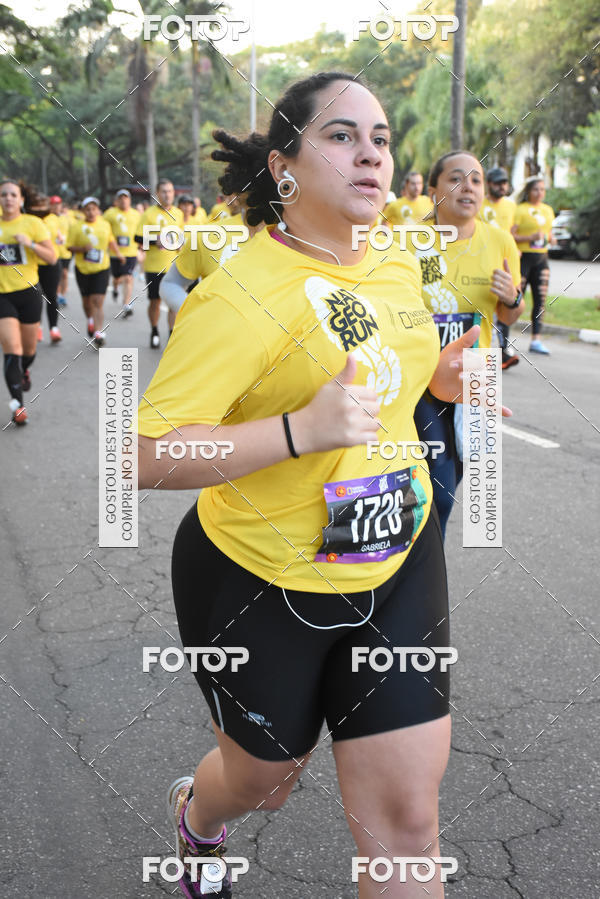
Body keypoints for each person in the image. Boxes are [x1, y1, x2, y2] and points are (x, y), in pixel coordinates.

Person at [137, 72, 492, 899]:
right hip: (258, 575)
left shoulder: (397, 267)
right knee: (267, 777)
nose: (370, 152)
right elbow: (142, 455)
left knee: (408, 818)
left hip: (397, 556)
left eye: (380, 138)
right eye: (341, 135)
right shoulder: (236, 295)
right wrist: (300, 430)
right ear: (284, 165)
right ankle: (200, 815)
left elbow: (385, 389)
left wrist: (438, 383)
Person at [409, 150, 523, 537]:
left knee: (456, 479)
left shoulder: (501, 242)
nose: (468, 188)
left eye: (475, 180)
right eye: (456, 179)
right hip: (421, 374)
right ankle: (419, 580)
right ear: (434, 190)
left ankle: (420, 571)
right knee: (436, 489)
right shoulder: (410, 243)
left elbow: (509, 318)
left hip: (478, 377)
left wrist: (512, 299)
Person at [160, 187, 263, 323]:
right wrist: (199, 318)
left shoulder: (293, 236)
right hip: (183, 262)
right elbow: (171, 284)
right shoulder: (211, 226)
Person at [0, 179, 56, 425]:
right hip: (2, 296)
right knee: (12, 350)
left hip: (29, 292)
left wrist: (30, 244)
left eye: (13, 194)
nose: (8, 198)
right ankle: (18, 406)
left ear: (21, 200)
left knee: (28, 351)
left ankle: (24, 369)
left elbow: (52, 257)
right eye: (3, 195)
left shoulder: (33, 224)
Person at [67, 196, 124, 347]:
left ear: (98, 210)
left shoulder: (105, 225)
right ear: (83, 211)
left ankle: (99, 332)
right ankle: (90, 320)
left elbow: (111, 241)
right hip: (83, 269)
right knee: (87, 303)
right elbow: (69, 246)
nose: (91, 212)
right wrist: (81, 249)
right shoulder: (76, 227)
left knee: (98, 301)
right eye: (88, 209)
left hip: (101, 268)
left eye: (94, 209)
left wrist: (118, 254)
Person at [135, 179, 184, 349]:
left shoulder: (178, 213)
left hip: (175, 267)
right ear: (157, 194)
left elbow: (181, 237)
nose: (167, 195)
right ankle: (154, 330)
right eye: (163, 191)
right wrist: (154, 240)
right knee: (155, 302)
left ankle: (171, 334)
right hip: (154, 266)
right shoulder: (149, 214)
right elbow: (137, 238)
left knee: (173, 303)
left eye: (170, 191)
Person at [478, 167, 519, 369]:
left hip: (506, 263)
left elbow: (512, 233)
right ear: (489, 185)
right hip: (480, 262)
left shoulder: (511, 206)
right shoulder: (478, 204)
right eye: (497, 183)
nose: (502, 186)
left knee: (509, 302)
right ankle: (493, 353)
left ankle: (502, 350)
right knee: (483, 308)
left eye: (504, 182)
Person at [512, 177, 554, 354]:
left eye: (542, 189)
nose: (539, 193)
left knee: (540, 300)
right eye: (536, 189)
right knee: (514, 300)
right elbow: (510, 236)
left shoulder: (548, 210)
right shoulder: (520, 210)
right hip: (523, 259)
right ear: (528, 191)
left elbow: (549, 234)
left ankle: (536, 339)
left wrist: (551, 238)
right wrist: (529, 238)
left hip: (541, 259)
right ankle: (503, 339)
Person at [24, 192, 64, 344]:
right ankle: (37, 328)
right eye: (36, 204)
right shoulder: (26, 220)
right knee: (35, 297)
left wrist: (60, 237)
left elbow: (58, 234)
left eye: (42, 204)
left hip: (51, 264)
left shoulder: (53, 218)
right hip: (31, 265)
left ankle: (53, 328)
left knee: (51, 296)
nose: (39, 207)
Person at [103, 189, 140, 318]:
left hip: (131, 252)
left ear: (129, 200)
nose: (123, 200)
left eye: (126, 198)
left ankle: (126, 304)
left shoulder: (136, 214)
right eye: (121, 198)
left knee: (128, 277)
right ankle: (115, 287)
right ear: (116, 200)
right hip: (114, 253)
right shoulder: (110, 214)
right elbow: (104, 231)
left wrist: (142, 249)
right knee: (117, 278)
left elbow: (140, 232)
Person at [49, 195, 71, 307]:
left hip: (65, 252)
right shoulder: (47, 218)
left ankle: (62, 295)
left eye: (58, 204)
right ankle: (56, 295)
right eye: (54, 204)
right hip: (53, 252)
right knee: (57, 275)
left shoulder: (66, 218)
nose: (57, 206)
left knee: (65, 274)